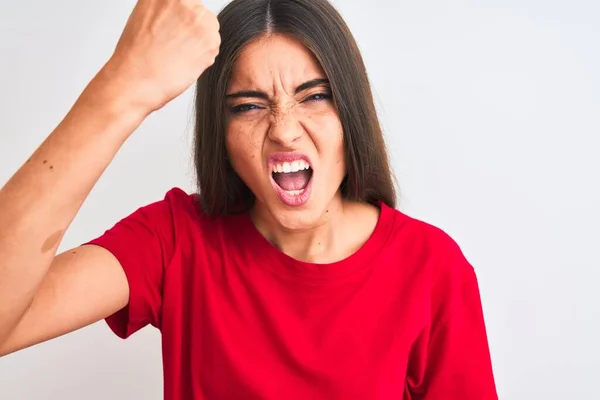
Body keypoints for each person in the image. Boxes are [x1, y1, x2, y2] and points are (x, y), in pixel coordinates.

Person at [0, 0, 498, 398]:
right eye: (248, 105)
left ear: (352, 112)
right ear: (221, 134)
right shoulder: (176, 240)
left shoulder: (433, 269)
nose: (283, 130)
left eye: (314, 95)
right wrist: (123, 86)